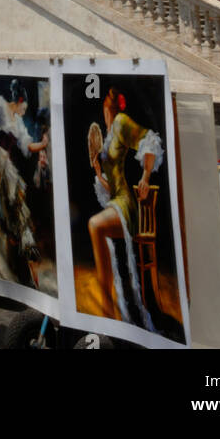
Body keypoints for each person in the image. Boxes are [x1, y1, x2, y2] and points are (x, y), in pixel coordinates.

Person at [88, 85, 163, 327]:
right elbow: (109, 188)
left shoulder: (120, 122)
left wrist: (146, 176)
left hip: (125, 204)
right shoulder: (109, 133)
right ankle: (108, 304)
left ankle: (107, 306)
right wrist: (99, 172)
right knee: (95, 227)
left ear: (109, 105)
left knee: (95, 225)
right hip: (115, 199)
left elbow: (148, 139)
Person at [0, 80, 49, 288]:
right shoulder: (0, 105)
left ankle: (21, 262)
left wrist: (43, 145)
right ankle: (15, 262)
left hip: (9, 167)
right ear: (20, 101)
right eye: (24, 106)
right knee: (8, 210)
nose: (24, 110)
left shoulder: (19, 123)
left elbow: (27, 145)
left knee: (17, 209)